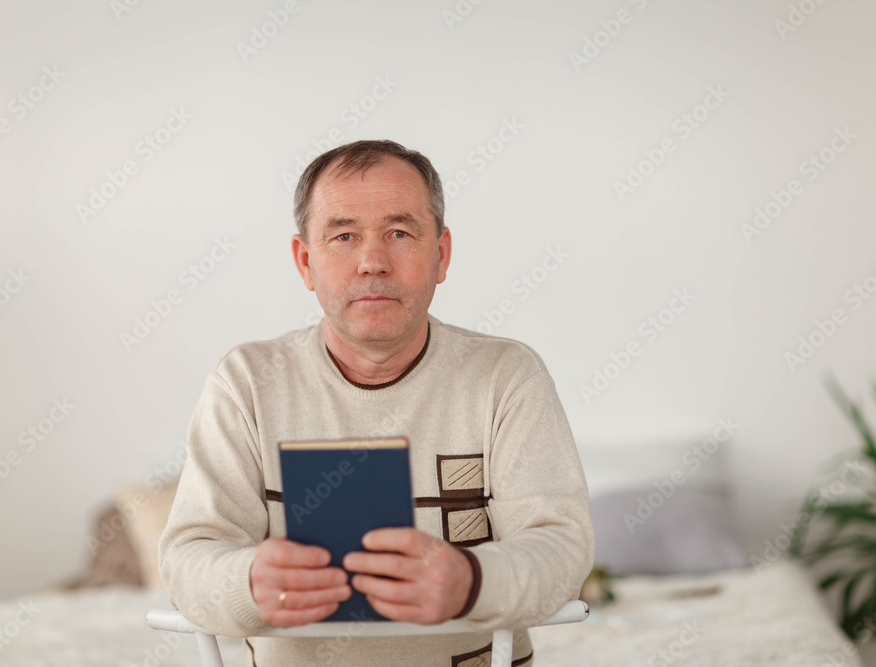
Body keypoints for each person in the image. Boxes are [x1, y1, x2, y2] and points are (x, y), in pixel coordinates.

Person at [157, 139, 594, 666]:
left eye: (399, 232)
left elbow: (563, 547)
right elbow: (187, 558)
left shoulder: (507, 376)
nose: (372, 261)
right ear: (305, 262)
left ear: (441, 254)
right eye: (343, 235)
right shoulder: (245, 382)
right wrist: (248, 580)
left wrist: (470, 582)